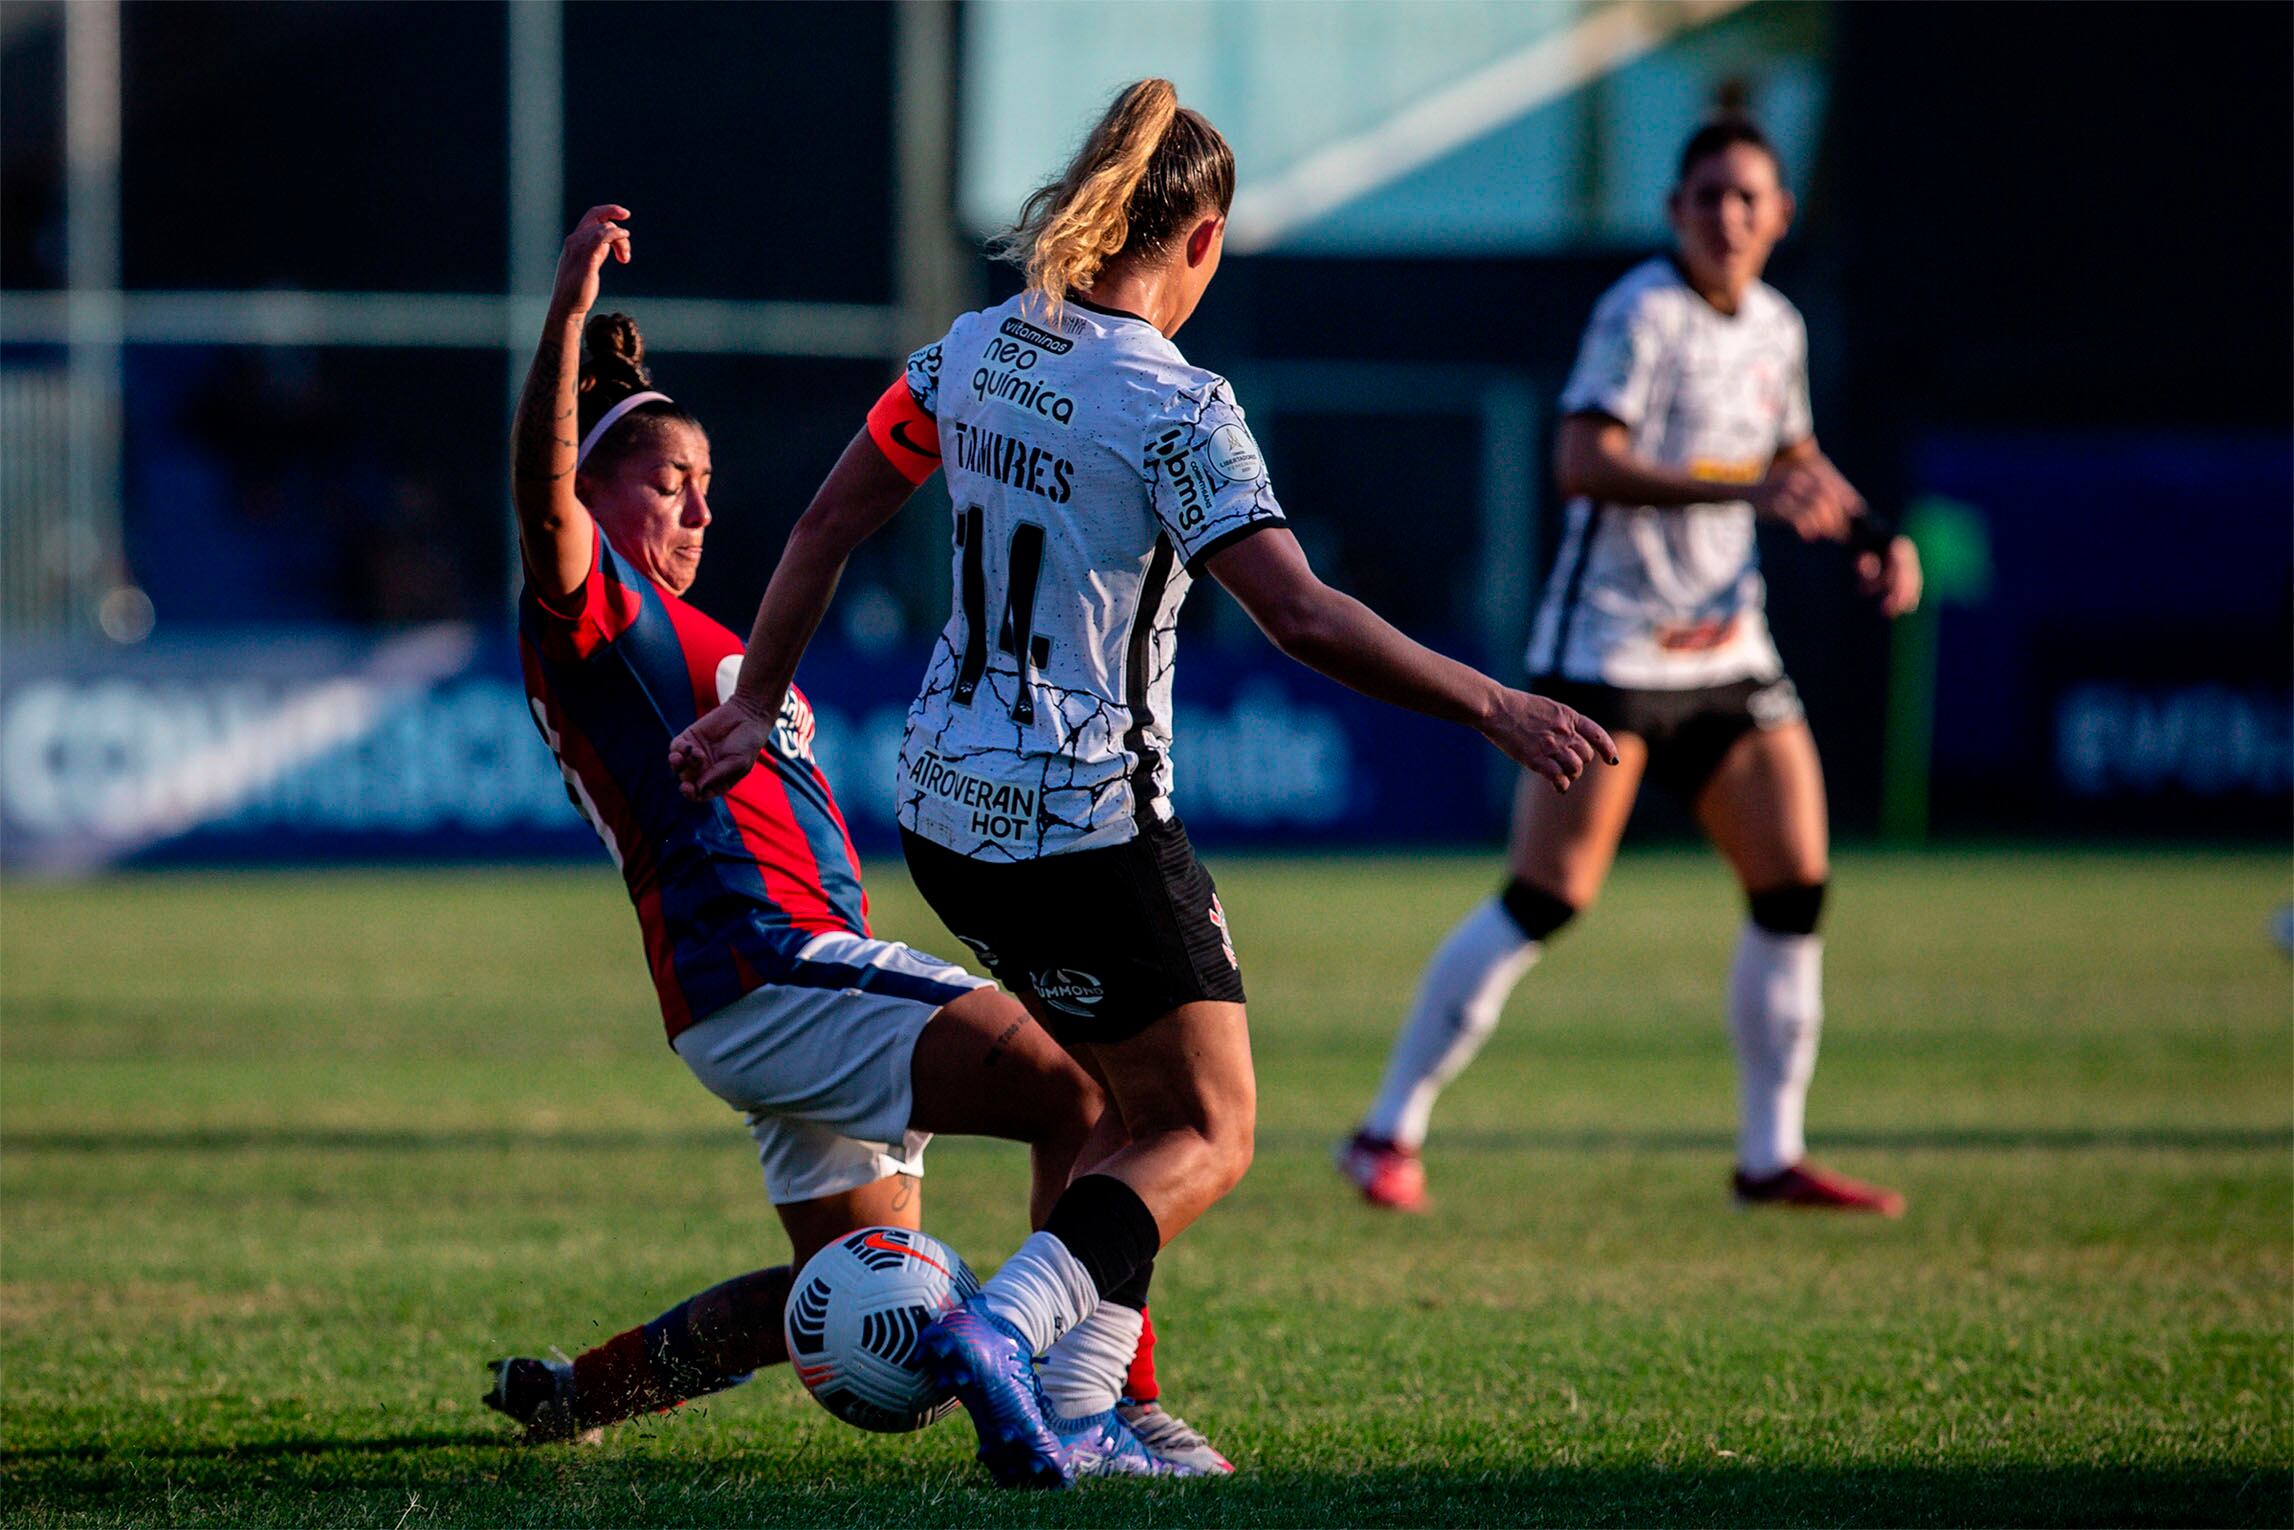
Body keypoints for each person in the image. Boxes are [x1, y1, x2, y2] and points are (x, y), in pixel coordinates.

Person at [667, 80, 1615, 1489]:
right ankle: (1006, 1324)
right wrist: (1491, 700)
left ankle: (1088, 1404)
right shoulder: (1177, 407)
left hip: (946, 814)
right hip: (1084, 822)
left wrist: (753, 702)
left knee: (1123, 1109)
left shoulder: (968, 354)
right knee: (1208, 1129)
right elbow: (1295, 613)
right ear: (1203, 237)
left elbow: (825, 522)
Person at [481, 204, 1228, 1479]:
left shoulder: (694, 633)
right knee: (1094, 1090)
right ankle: (1101, 1403)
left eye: (709, 486)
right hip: (770, 963)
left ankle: (573, 1394)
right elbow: (537, 489)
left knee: (854, 1289)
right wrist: (562, 313)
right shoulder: (591, 610)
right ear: (598, 491)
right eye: (671, 482)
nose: (700, 508)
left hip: (762, 991)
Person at [1337, 118, 1922, 1217]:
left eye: (1748, 198)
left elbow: (1790, 458)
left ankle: (1767, 1157)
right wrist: (1742, 492)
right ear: (1673, 212)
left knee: (1793, 887)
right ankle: (1383, 1133)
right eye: (1706, 196)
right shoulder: (1639, 311)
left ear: (1780, 215)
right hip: (1607, 651)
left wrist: (1869, 534)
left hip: (1728, 651)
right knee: (1544, 900)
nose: (1727, 216)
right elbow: (1581, 461)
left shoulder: (1777, 325)